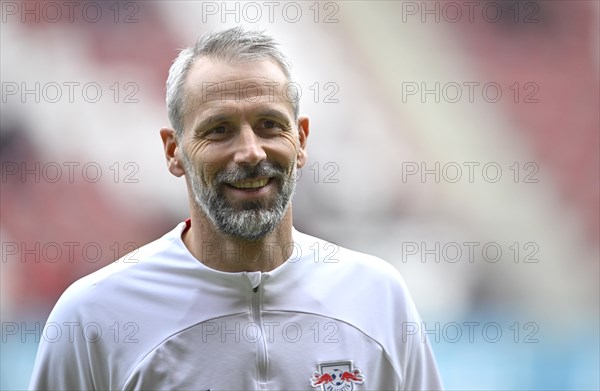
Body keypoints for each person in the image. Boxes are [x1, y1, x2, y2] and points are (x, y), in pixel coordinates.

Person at [29, 27, 443, 390]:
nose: (250, 152)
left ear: (301, 140)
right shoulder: (93, 316)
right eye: (219, 129)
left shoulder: (376, 296)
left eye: (269, 125)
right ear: (174, 151)